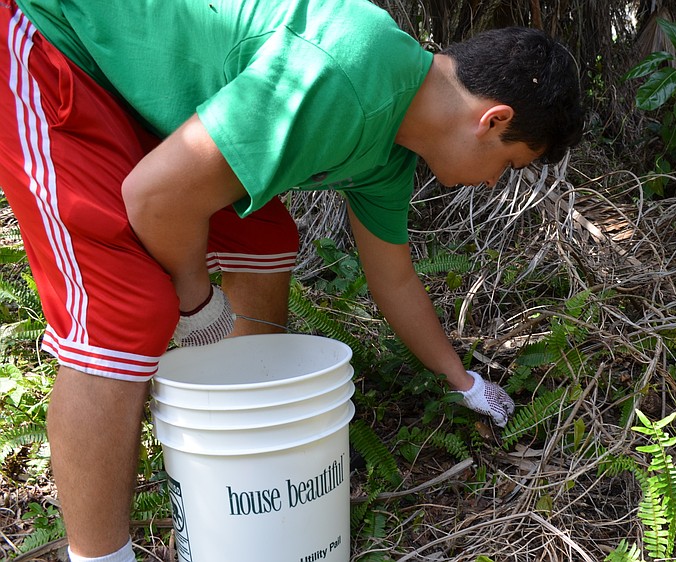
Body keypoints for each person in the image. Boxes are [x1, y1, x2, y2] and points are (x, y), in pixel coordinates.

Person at [0, 0, 584, 559]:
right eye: (509, 165)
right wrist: (194, 300)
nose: (492, 183)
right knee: (126, 312)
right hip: (50, 39)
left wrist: (461, 380)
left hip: (136, 80)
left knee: (266, 239)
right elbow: (153, 198)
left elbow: (396, 278)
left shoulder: (391, 148)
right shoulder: (346, 72)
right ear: (492, 120)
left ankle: (245, 443)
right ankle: (101, 555)